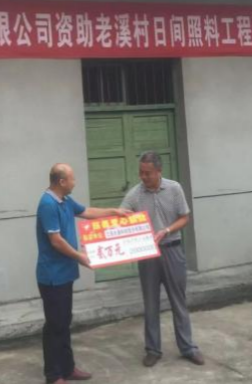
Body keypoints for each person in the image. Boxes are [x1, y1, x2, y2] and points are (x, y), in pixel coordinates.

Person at [36, 163, 130, 384]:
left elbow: (87, 212)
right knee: (55, 325)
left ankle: (67, 368)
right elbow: (56, 241)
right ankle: (54, 375)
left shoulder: (65, 200)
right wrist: (80, 257)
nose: (75, 182)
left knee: (64, 321)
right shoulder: (48, 204)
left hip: (65, 273)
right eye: (72, 178)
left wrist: (114, 212)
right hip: (52, 276)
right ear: (61, 181)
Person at [120, 151, 205, 368]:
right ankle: (153, 350)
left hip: (172, 250)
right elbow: (120, 217)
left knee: (178, 301)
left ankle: (188, 347)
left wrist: (166, 230)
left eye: (148, 173)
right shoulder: (135, 194)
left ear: (159, 171)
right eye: (141, 172)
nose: (143, 177)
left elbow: (184, 218)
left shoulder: (174, 188)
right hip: (148, 254)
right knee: (150, 303)